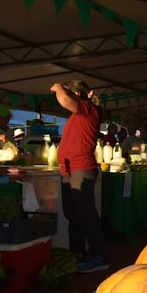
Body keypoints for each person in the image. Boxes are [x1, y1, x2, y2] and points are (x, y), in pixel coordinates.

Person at [50, 80, 107, 273]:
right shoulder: (77, 114)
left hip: (81, 168)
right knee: (73, 214)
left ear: (78, 95)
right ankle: (77, 252)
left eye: (70, 92)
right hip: (69, 169)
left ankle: (98, 256)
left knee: (85, 212)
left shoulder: (89, 109)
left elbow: (64, 100)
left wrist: (58, 87)